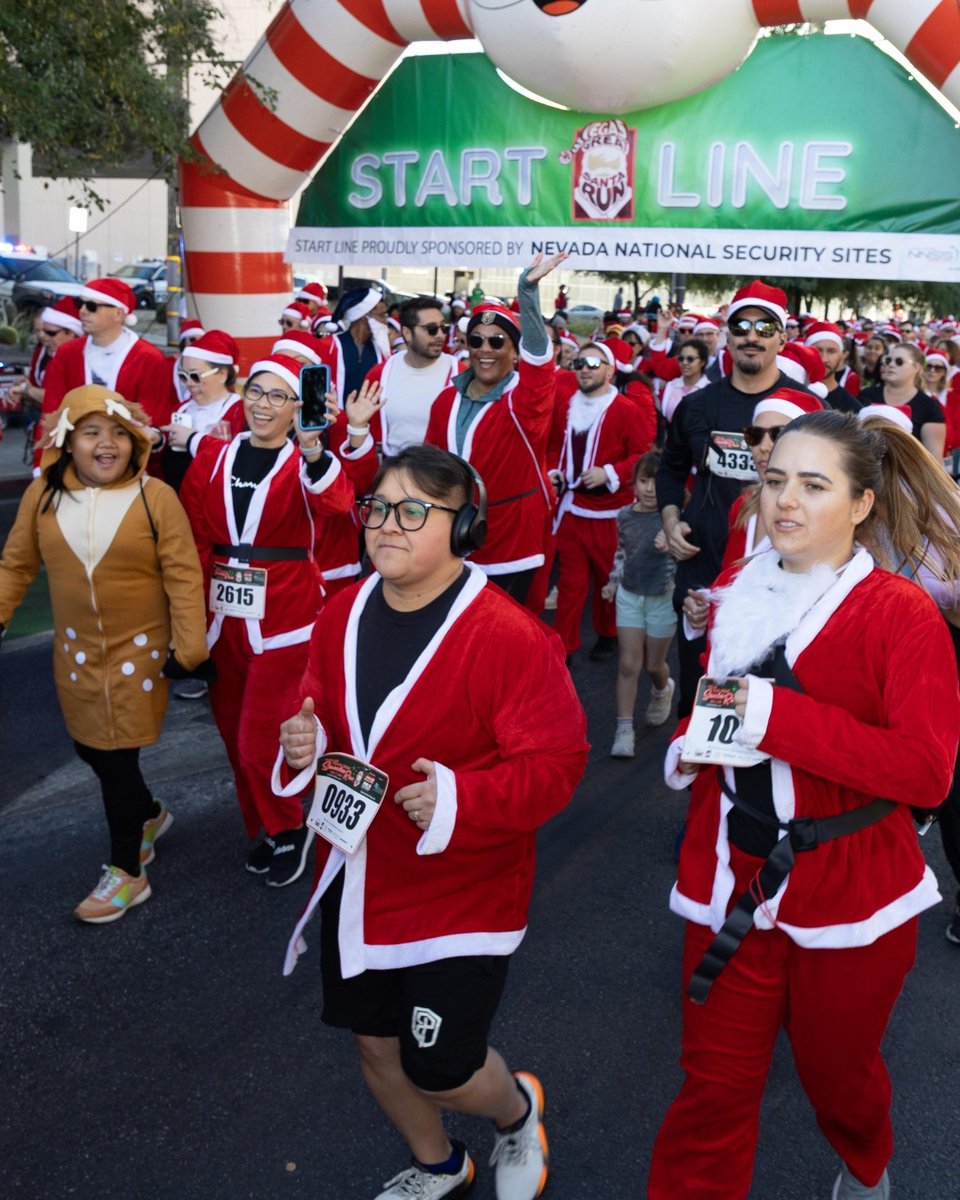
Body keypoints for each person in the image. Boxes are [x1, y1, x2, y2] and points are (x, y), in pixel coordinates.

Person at [648, 408, 960, 1200]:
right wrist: (690, 744)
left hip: (853, 885)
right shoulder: (734, 583)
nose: (785, 501)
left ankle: (865, 1166)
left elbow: (927, 774)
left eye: (814, 486)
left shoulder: (902, 611)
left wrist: (776, 720)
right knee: (711, 1091)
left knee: (839, 1079)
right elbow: (720, 708)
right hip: (731, 876)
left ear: (860, 504)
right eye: (775, 479)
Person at [275, 444, 589, 1200]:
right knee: (376, 1048)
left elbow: (557, 764)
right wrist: (304, 743)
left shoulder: (511, 636)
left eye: (414, 511)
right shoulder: (341, 610)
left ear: (465, 525)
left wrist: (460, 799)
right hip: (356, 877)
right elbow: (315, 704)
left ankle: (515, 1112)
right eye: (379, 508)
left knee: (442, 1067)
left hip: (460, 892)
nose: (388, 524)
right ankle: (441, 1164)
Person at [0, 386, 209, 922]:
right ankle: (149, 815)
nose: (107, 444)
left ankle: (128, 872)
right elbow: (15, 565)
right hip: (75, 656)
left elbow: (184, 576)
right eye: (92, 432)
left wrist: (189, 648)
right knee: (93, 752)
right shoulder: (42, 496)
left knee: (116, 759)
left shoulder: (155, 496)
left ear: (136, 440)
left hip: (140, 654)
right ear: (67, 441)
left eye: (119, 432)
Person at [178, 354, 354, 887]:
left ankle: (291, 826)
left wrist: (314, 449)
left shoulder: (306, 460)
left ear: (298, 407)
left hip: (287, 618)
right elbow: (197, 532)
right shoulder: (214, 454)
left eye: (279, 396)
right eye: (257, 391)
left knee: (264, 739)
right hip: (223, 618)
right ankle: (263, 827)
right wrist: (190, 620)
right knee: (234, 738)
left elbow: (339, 501)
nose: (263, 404)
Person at [657, 280, 814, 717]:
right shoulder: (697, 405)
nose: (752, 335)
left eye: (765, 328)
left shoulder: (808, 409)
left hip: (782, 577)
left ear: (783, 338)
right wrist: (670, 521)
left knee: (775, 698)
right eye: (741, 325)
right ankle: (701, 781)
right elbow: (669, 469)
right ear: (726, 336)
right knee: (701, 696)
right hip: (704, 572)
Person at [424, 253, 566, 603]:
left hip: (512, 540)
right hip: (455, 538)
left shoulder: (522, 400)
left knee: (509, 637)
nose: (485, 349)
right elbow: (429, 467)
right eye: (477, 340)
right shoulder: (445, 399)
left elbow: (540, 361)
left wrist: (527, 292)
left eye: (497, 341)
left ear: (515, 353)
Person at [547, 341, 646, 662]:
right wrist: (555, 471)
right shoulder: (566, 405)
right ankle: (564, 646)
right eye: (580, 363)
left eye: (593, 362)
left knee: (608, 579)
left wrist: (609, 473)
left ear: (610, 370)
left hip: (611, 514)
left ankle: (608, 634)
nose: (585, 368)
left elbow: (644, 457)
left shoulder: (626, 410)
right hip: (573, 509)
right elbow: (553, 447)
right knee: (571, 583)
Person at [36, 279, 171, 468]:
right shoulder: (67, 353)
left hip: (129, 467)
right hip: (74, 465)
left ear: (118, 313)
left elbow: (152, 419)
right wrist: (42, 467)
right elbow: (51, 413)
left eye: (92, 306)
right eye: (80, 303)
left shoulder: (149, 358)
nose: (82, 310)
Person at [601, 452, 676, 758]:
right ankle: (624, 729)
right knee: (628, 663)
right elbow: (622, 552)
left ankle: (662, 688)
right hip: (630, 596)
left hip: (663, 597)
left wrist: (671, 540)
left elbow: (689, 553)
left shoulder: (673, 518)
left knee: (652, 665)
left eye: (657, 482)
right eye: (644, 481)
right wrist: (613, 581)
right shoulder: (624, 516)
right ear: (634, 483)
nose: (649, 489)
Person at [362, 296, 459, 455]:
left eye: (444, 328)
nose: (441, 335)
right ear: (407, 332)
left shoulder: (460, 374)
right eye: (431, 329)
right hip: (393, 470)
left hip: (442, 473)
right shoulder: (380, 374)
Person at [161, 330, 246, 493]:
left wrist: (193, 440)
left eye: (195, 376)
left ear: (222, 374)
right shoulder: (183, 407)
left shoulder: (238, 411)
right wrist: (158, 439)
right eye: (183, 377)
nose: (189, 384)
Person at [859, 342, 945, 458]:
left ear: (916, 367)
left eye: (899, 361)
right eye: (888, 360)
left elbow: (935, 457)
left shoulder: (929, 406)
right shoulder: (867, 395)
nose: (891, 365)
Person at [804, 322, 862, 413]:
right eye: (817, 350)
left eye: (831, 351)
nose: (824, 359)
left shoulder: (853, 409)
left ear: (841, 354)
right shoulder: (788, 395)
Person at [659, 338, 709, 424]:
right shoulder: (670, 387)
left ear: (702, 362)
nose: (684, 363)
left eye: (690, 359)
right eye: (681, 359)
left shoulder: (710, 389)